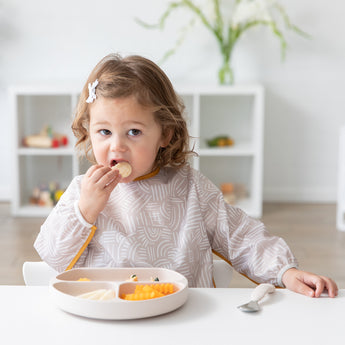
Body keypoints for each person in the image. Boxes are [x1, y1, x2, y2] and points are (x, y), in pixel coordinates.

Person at [34, 53, 338, 298]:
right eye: (104, 131)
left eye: (134, 132)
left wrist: (285, 271)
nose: (117, 145)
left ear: (165, 134)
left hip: (186, 319)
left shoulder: (192, 188)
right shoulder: (82, 193)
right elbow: (52, 256)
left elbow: (241, 236)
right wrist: (84, 212)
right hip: (109, 322)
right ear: (88, 130)